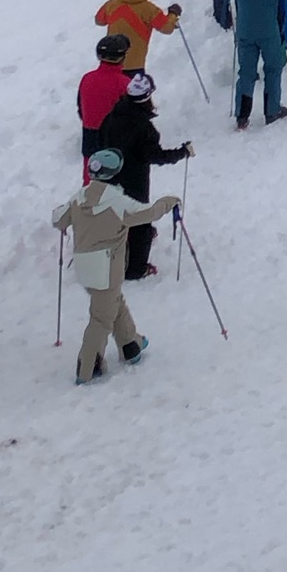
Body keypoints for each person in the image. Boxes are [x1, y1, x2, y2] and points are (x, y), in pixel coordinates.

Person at [52, 149, 180, 384]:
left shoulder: (79, 197)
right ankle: (88, 367)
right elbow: (147, 213)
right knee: (101, 317)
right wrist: (168, 202)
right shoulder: (116, 201)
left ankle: (131, 344)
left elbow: (58, 219)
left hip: (85, 268)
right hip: (108, 267)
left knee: (112, 302)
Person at [98, 72, 191, 279]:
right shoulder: (143, 126)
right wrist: (181, 152)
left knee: (112, 217)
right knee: (139, 221)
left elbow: (100, 140)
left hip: (109, 177)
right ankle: (136, 268)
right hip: (134, 180)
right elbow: (154, 156)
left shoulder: (112, 115)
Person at [95, 0, 181, 72]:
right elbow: (167, 28)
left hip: (109, 64)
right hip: (134, 66)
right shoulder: (149, 9)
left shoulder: (111, 4)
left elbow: (99, 21)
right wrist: (173, 14)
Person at [78, 34, 134, 184]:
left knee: (90, 180)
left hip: (90, 135)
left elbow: (80, 108)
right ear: (123, 56)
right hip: (115, 139)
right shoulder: (125, 84)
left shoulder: (87, 78)